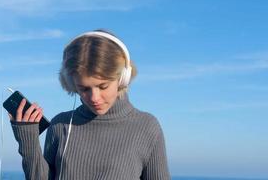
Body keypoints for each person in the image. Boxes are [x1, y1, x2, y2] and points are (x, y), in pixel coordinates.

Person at [9, 30, 171, 180]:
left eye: (103, 86)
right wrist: (28, 139)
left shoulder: (147, 127)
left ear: (123, 78)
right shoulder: (60, 125)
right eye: (84, 88)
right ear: (71, 84)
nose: (95, 97)